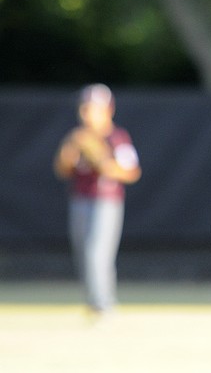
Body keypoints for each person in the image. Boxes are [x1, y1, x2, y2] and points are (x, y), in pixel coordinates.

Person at [54, 83, 141, 319]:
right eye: (84, 107)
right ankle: (93, 303)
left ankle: (104, 304)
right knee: (83, 251)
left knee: (97, 252)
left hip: (106, 200)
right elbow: (63, 169)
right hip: (81, 198)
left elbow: (131, 171)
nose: (85, 112)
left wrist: (101, 160)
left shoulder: (116, 137)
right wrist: (70, 152)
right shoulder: (78, 137)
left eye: (91, 107)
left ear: (107, 109)